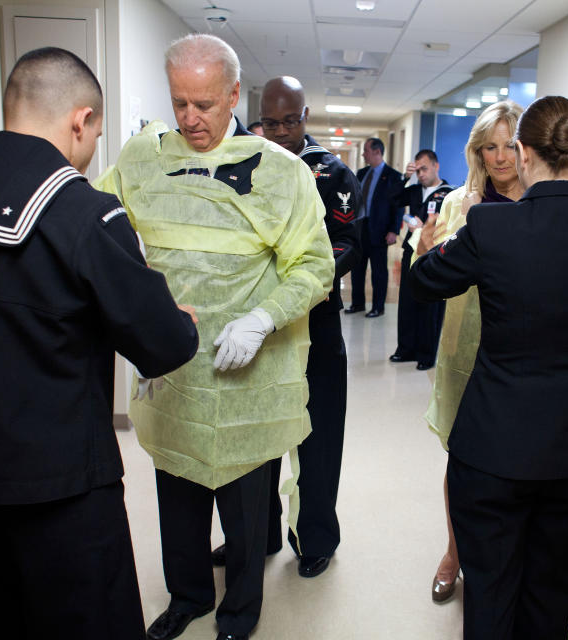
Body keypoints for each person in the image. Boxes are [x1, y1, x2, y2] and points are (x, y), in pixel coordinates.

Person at [0, 47, 200, 640]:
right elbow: (162, 344)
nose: (89, 153)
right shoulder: (81, 211)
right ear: (79, 120)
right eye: (93, 137)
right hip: (61, 489)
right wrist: (177, 317)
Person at [95, 35, 333, 640]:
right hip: (172, 367)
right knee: (176, 493)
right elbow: (97, 228)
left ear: (233, 95)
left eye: (204, 103)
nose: (190, 119)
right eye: (179, 102)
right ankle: (189, 596)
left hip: (245, 371)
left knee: (246, 507)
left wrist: (262, 319)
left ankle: (239, 613)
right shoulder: (142, 158)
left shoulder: (282, 174)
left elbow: (314, 265)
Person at [410, 95, 568, 639]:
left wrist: (429, 246)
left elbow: (426, 282)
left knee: (491, 592)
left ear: (522, 153)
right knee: (552, 592)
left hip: (494, 443)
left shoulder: (491, 227)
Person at [208, 76, 360, 579]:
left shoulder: (331, 173)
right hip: (259, 330)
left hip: (314, 327)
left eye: (288, 121)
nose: (278, 132)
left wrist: (292, 282)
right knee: (257, 438)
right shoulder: (241, 164)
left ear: (305, 116)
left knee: (317, 439)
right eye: (269, 122)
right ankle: (257, 534)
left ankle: (315, 538)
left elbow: (345, 246)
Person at [414, 100, 526, 603]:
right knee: (463, 461)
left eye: (510, 145)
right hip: (465, 350)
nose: (501, 157)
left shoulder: (539, 203)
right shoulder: (457, 202)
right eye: (490, 146)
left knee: (516, 464)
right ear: (478, 151)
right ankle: (455, 553)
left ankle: (507, 561)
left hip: (520, 355)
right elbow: (431, 274)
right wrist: (421, 249)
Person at [390, 149, 453, 370]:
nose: (421, 174)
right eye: (417, 170)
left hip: (433, 254)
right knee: (407, 300)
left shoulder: (448, 194)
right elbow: (393, 198)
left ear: (436, 166)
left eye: (424, 169)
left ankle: (427, 355)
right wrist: (405, 178)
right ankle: (406, 349)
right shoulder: (415, 190)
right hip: (411, 249)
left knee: (430, 304)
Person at [346, 137, 402, 317]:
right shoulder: (361, 173)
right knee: (357, 269)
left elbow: (398, 205)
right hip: (360, 228)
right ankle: (357, 303)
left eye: (366, 150)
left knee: (378, 271)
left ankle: (378, 306)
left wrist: (394, 230)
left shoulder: (393, 176)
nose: (363, 154)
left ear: (377, 152)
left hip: (379, 230)